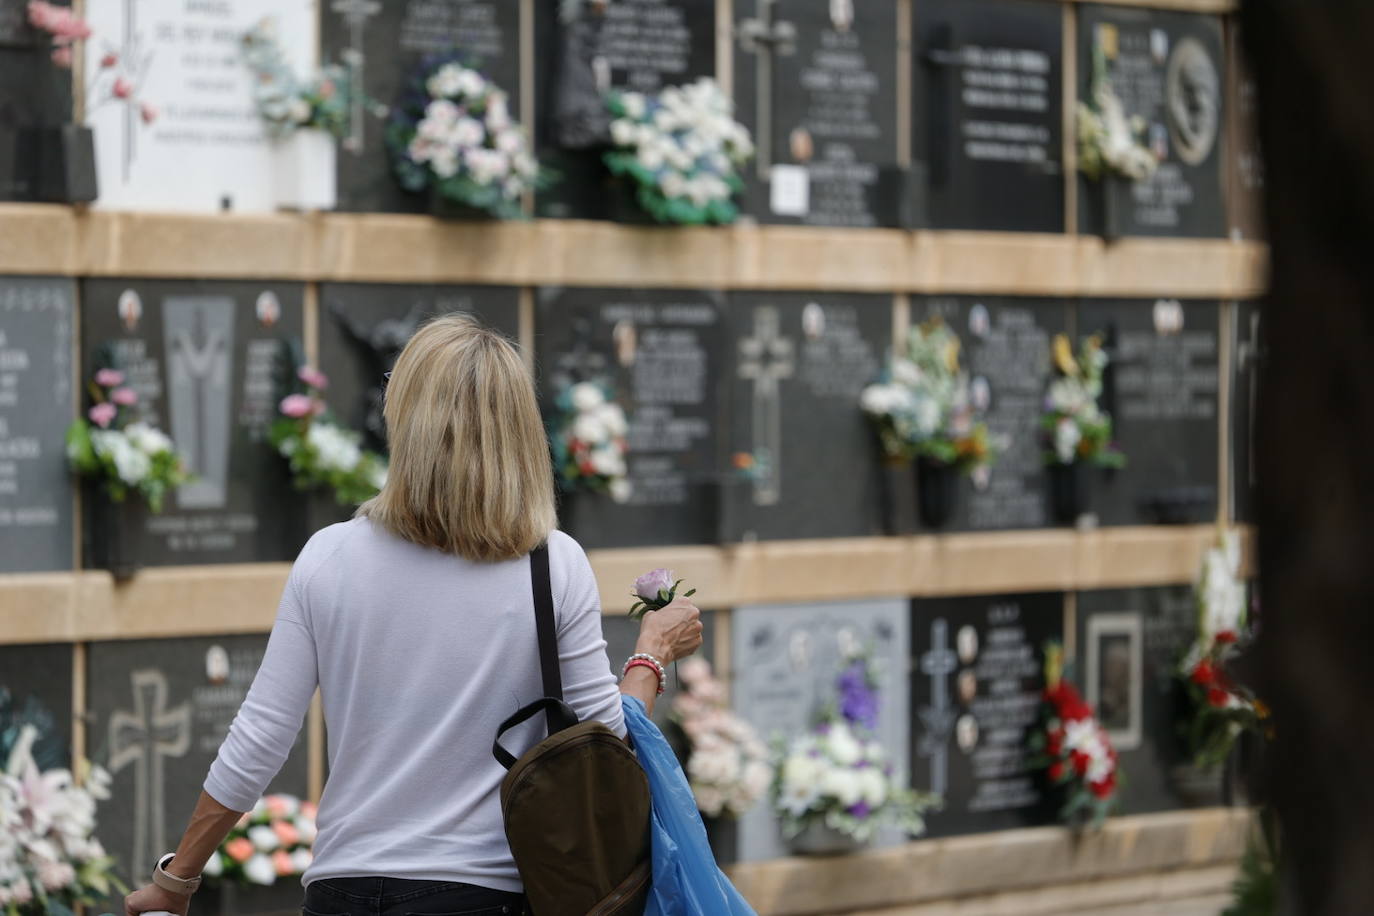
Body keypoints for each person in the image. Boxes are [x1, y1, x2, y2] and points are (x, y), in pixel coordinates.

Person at [123, 315, 703, 916]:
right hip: (483, 894)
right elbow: (604, 741)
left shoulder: (329, 556)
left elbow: (260, 738)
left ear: (406, 420)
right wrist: (650, 655)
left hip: (341, 891)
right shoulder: (552, 564)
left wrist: (177, 880)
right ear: (519, 429)